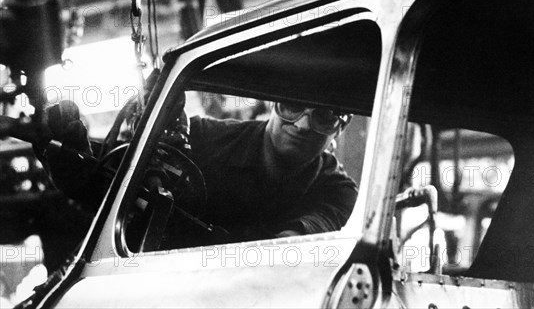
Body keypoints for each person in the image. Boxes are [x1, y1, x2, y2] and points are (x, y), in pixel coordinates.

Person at [37, 99, 358, 245]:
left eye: (324, 116)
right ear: (273, 104)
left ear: (340, 128)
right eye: (292, 106)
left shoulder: (338, 191)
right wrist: (71, 147)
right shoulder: (202, 138)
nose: (302, 124)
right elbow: (112, 184)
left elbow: (296, 243)